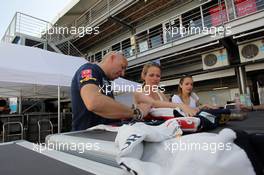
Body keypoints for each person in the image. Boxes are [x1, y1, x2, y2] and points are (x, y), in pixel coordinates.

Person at [71, 51, 151, 131]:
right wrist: (137, 112)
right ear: (112, 58)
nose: (123, 74)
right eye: (122, 67)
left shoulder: (106, 79)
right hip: (90, 136)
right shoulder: (89, 69)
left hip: (102, 134)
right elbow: (94, 102)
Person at [133, 62, 198, 117]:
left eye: (158, 76)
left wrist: (194, 109)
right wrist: (182, 106)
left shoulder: (160, 94)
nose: (155, 78)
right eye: (151, 75)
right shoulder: (139, 92)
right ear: (144, 76)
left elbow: (170, 107)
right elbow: (153, 103)